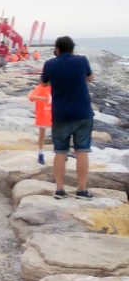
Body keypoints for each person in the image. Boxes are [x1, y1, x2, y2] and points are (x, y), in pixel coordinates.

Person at [41, 36, 95, 199]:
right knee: (82, 151)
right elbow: (91, 78)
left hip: (61, 115)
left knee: (60, 151)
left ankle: (59, 190)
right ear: (72, 48)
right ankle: (82, 190)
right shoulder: (81, 60)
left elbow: (43, 83)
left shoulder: (50, 64)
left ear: (57, 49)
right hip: (83, 113)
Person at [28, 80, 53, 165]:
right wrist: (42, 98)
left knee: (58, 134)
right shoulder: (40, 87)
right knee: (42, 135)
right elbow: (31, 97)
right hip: (43, 114)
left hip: (54, 114)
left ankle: (61, 153)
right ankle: (40, 153)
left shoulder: (56, 87)